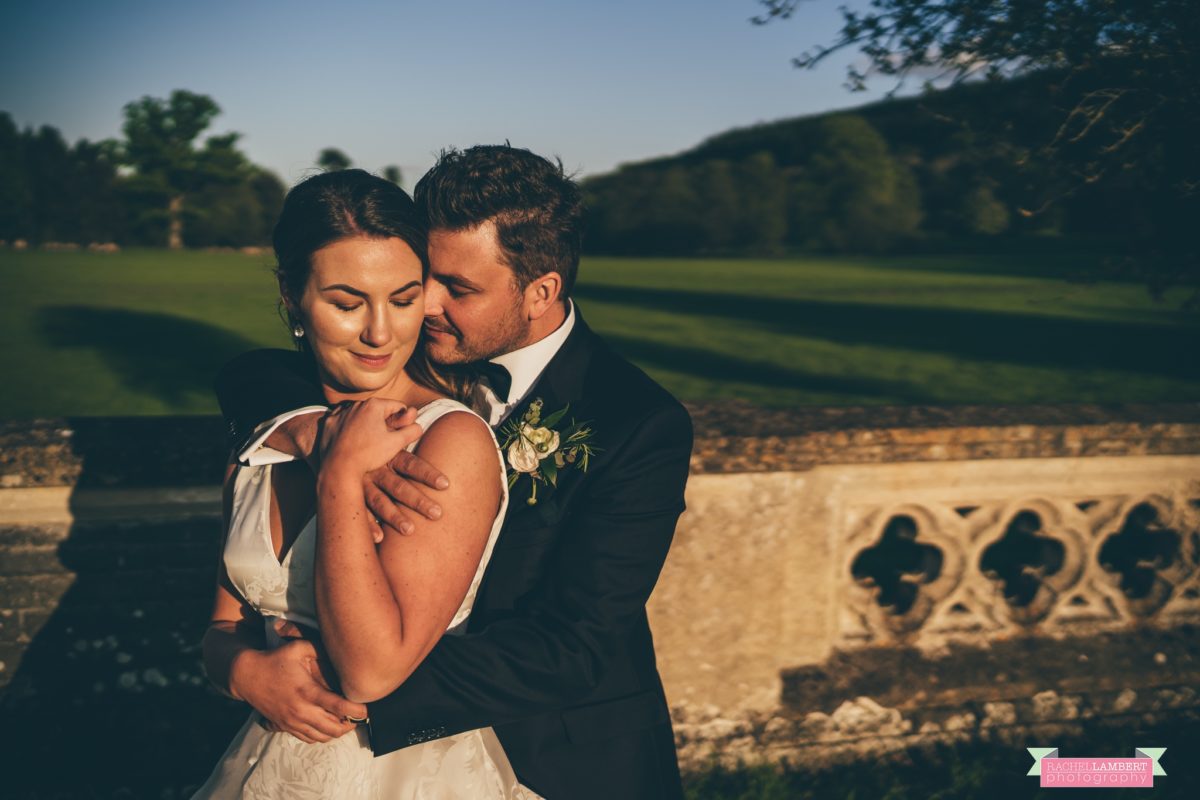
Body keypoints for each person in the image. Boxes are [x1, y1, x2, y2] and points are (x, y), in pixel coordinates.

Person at [216, 145, 694, 799]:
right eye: (421, 279)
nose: (424, 306)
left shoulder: (636, 423)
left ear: (541, 291)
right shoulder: (395, 361)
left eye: (457, 288)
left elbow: (574, 645)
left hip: (555, 755)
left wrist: (345, 683)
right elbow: (252, 373)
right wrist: (311, 431)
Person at [193, 168, 540, 798]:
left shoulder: (448, 440)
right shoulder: (262, 442)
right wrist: (245, 672)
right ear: (292, 297)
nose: (381, 332)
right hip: (266, 765)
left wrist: (340, 475)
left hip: (405, 774)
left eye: (404, 299)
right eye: (348, 303)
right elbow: (222, 626)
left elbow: (372, 670)